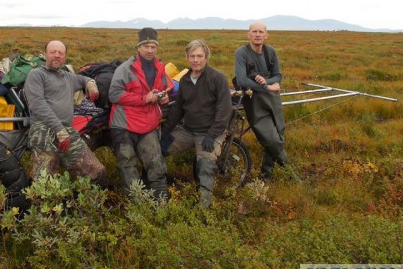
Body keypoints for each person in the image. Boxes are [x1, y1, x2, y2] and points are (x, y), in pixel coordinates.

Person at [23, 40, 106, 185]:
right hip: (43, 130)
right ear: (45, 55)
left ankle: (81, 204)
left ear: (65, 57)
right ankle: (40, 205)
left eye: (60, 53)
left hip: (66, 130)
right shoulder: (36, 75)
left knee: (96, 173)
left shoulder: (67, 77)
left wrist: (91, 84)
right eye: (53, 52)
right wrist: (59, 129)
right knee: (43, 182)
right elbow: (37, 104)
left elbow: (82, 79)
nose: (57, 56)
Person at [161, 39, 232, 208]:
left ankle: (203, 207)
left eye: (199, 56)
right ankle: (157, 190)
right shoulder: (185, 80)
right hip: (187, 131)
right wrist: (164, 132)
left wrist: (212, 135)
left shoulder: (217, 78)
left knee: (205, 164)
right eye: (192, 56)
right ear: (187, 57)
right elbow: (177, 110)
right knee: (158, 150)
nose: (196, 60)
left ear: (206, 57)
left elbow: (224, 110)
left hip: (210, 132)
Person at [108, 27, 172, 199]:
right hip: (124, 125)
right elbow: (114, 95)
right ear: (138, 47)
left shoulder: (160, 68)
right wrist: (144, 98)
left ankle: (160, 204)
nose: (150, 50)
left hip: (148, 125)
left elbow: (162, 88)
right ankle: (137, 206)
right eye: (146, 46)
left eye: (153, 46)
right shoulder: (125, 69)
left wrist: (162, 97)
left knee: (155, 164)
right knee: (127, 166)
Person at [234, 22, 288, 180]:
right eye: (254, 31)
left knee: (279, 135)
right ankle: (290, 171)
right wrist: (267, 87)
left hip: (273, 100)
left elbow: (278, 75)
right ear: (248, 34)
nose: (257, 34)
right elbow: (242, 80)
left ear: (266, 35)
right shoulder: (241, 53)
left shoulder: (271, 52)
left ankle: (266, 174)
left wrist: (266, 81)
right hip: (254, 101)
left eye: (261, 32)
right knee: (271, 139)